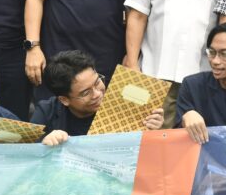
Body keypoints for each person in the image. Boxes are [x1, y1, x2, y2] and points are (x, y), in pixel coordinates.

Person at [32, 50, 162, 144]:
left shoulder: (125, 102)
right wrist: (44, 143)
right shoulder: (47, 111)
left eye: (97, 82)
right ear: (64, 100)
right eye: (85, 93)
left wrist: (153, 131)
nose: (97, 94)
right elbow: (27, 153)